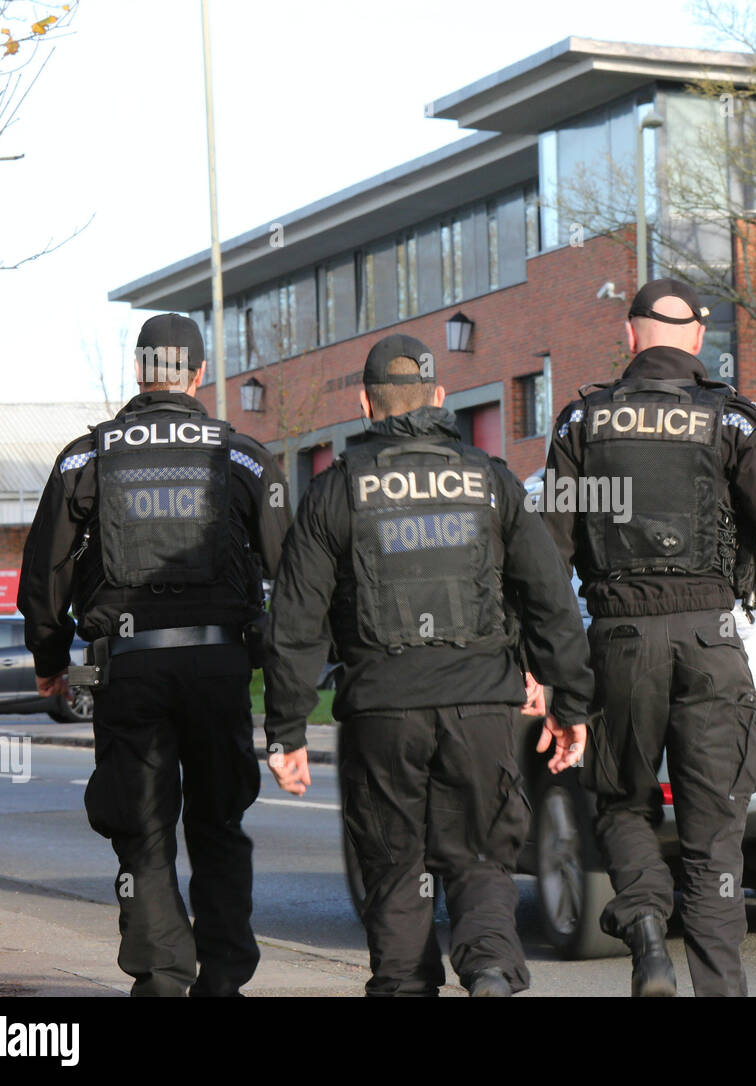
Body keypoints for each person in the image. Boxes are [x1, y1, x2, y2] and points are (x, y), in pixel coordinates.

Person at [541, 278, 756, 997]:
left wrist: (538, 666)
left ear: (629, 334)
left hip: (619, 642)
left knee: (624, 801)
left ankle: (644, 936)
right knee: (713, 835)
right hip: (711, 643)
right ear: (699, 338)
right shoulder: (733, 423)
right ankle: (720, 990)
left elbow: (549, 557)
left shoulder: (581, 424)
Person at [262, 332, 594, 997]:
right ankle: (492, 971)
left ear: (365, 403)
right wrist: (570, 703)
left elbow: (294, 621)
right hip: (479, 707)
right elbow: (550, 595)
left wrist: (288, 729)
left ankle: (404, 984)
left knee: (394, 867)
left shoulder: (336, 491)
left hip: (382, 710)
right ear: (440, 398)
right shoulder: (491, 480)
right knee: (479, 858)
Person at [18, 313, 291, 996]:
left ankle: (162, 980)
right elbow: (294, 573)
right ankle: (223, 977)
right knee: (219, 821)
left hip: (128, 668)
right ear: (198, 374)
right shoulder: (246, 457)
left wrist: (49, 659)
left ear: (140, 370)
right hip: (219, 667)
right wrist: (285, 676)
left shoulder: (87, 457)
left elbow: (44, 574)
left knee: (143, 830)